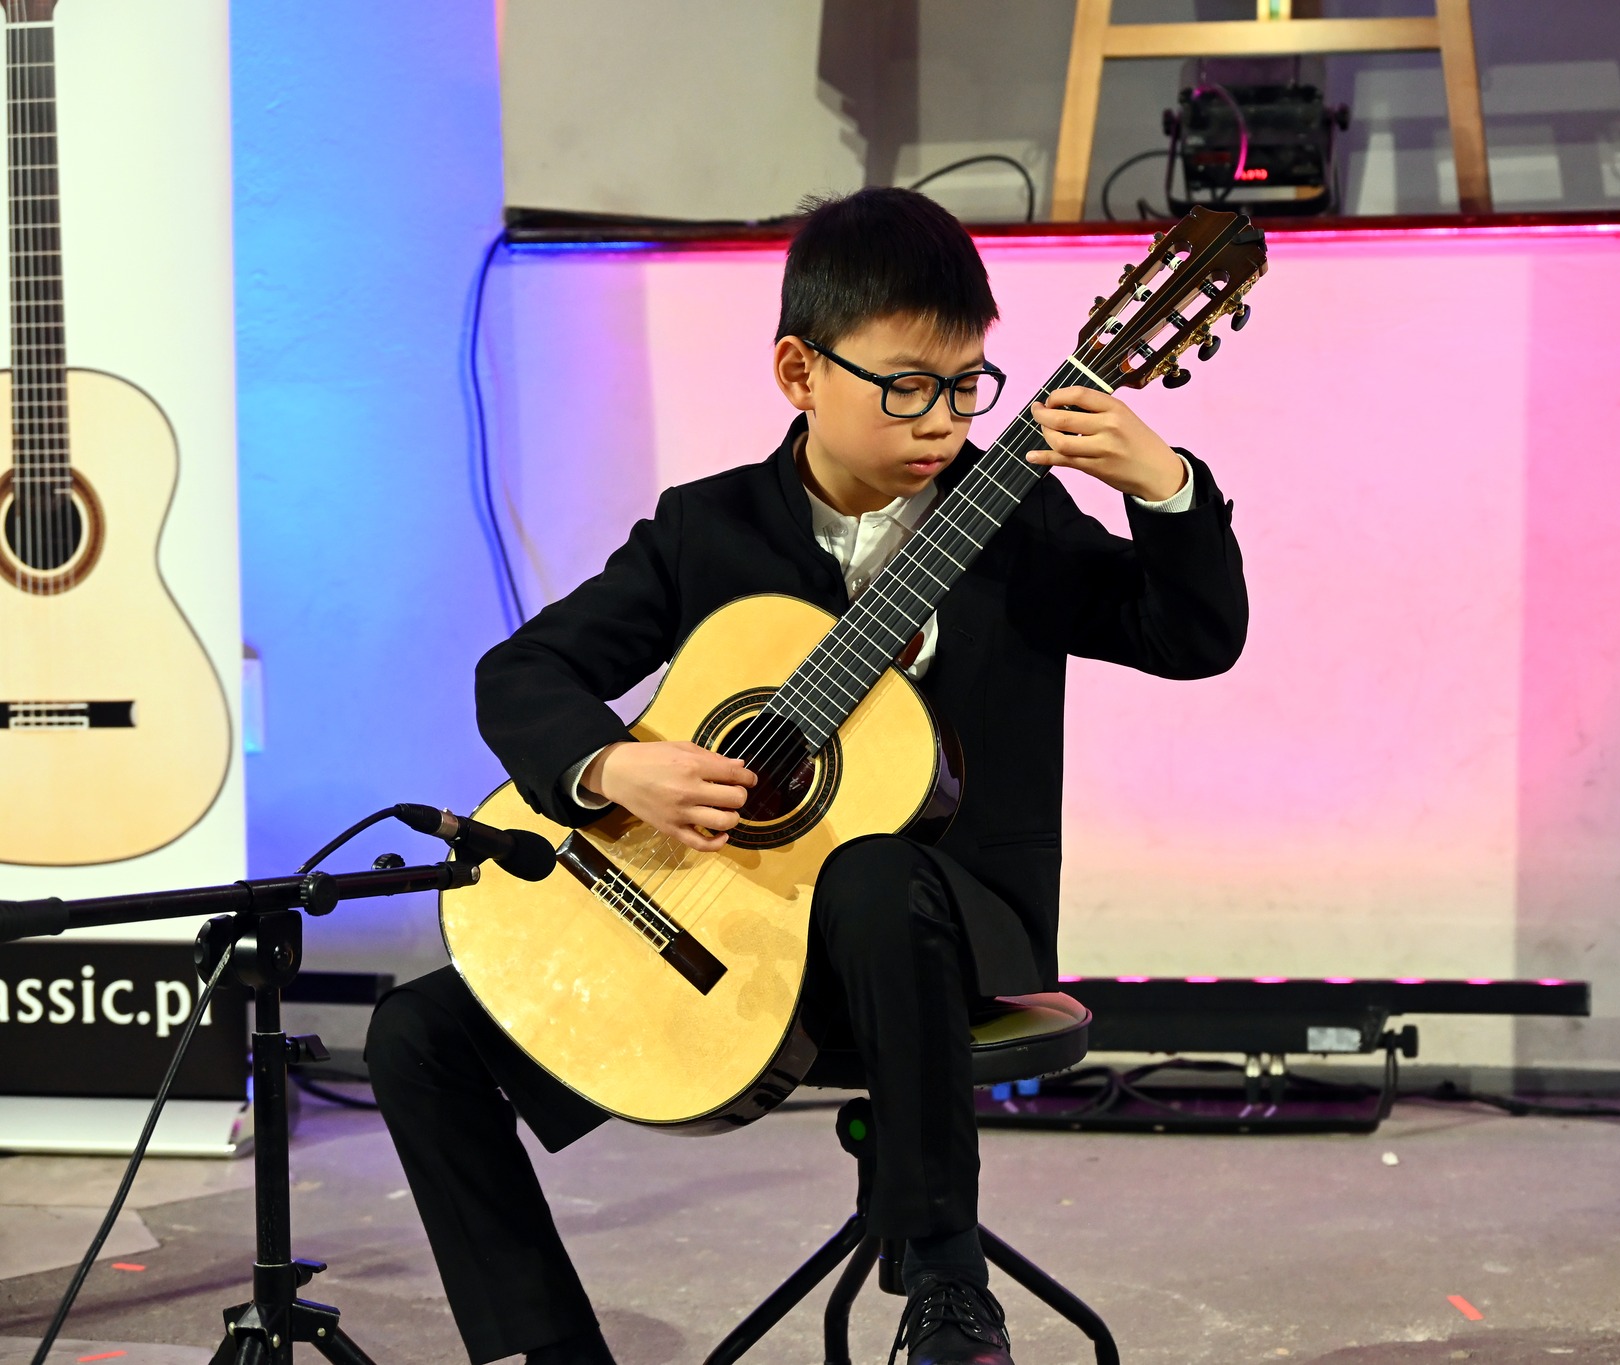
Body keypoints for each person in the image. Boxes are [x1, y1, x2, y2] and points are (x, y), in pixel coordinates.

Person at [364, 186, 1248, 1365]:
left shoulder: (1016, 520)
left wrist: (1165, 489)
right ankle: (549, 1352)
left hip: (941, 936)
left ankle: (945, 1287)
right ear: (799, 371)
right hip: (730, 933)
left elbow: (1193, 639)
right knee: (417, 1034)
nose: (944, 421)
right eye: (906, 386)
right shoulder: (708, 531)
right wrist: (616, 765)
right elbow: (523, 672)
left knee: (873, 872)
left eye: (967, 385)